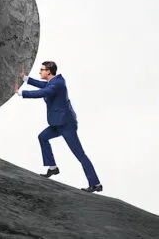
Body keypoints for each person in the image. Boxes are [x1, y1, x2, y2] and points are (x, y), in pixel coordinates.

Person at [15, 61, 103, 193]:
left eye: (42, 70)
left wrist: (21, 93)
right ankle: (53, 168)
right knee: (42, 137)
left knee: (80, 155)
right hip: (58, 122)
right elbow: (42, 85)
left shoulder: (57, 84)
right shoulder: (53, 82)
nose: (40, 72)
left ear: (49, 71)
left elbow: (43, 91)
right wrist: (25, 78)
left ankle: (96, 184)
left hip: (67, 125)